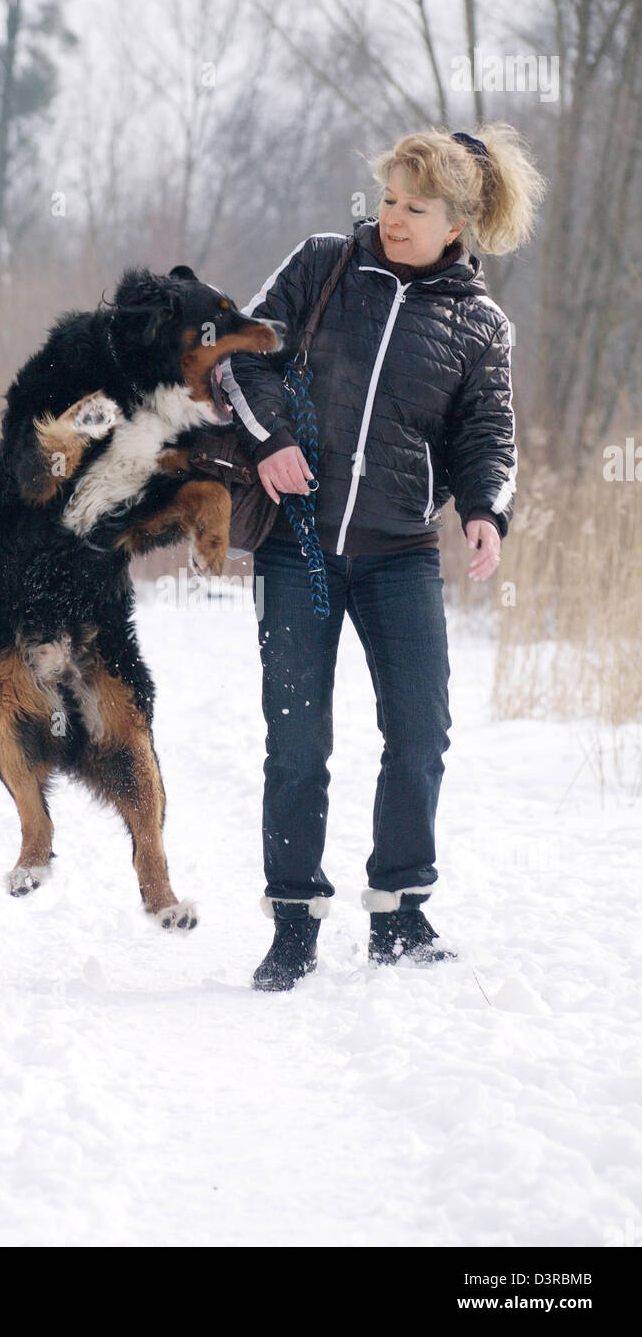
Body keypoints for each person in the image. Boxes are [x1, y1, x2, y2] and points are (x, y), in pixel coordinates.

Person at [219, 123, 546, 991]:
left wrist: (485, 513)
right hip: (298, 546)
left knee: (418, 734)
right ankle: (293, 924)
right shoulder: (323, 264)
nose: (393, 218)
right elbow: (239, 360)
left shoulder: (479, 324)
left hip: (400, 552)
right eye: (390, 199)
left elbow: (488, 432)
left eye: (416, 207)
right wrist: (270, 444)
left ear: (458, 225)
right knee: (296, 741)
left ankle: (400, 910)